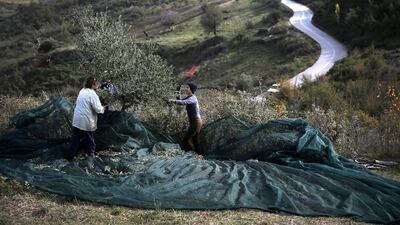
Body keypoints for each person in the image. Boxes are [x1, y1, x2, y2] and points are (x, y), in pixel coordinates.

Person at [67, 76, 105, 169]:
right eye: (97, 84)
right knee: (90, 140)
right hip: (87, 121)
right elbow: (98, 109)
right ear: (93, 85)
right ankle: (90, 159)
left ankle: (70, 157)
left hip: (77, 119)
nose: (98, 85)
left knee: (75, 139)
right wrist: (104, 108)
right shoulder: (93, 94)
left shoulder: (82, 91)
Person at [169, 82, 203, 154]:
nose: (185, 89)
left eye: (187, 88)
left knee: (186, 140)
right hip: (195, 122)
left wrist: (172, 101)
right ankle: (199, 155)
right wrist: (177, 91)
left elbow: (183, 102)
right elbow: (180, 100)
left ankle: (194, 155)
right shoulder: (190, 97)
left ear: (191, 90)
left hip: (196, 122)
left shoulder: (193, 98)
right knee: (194, 140)